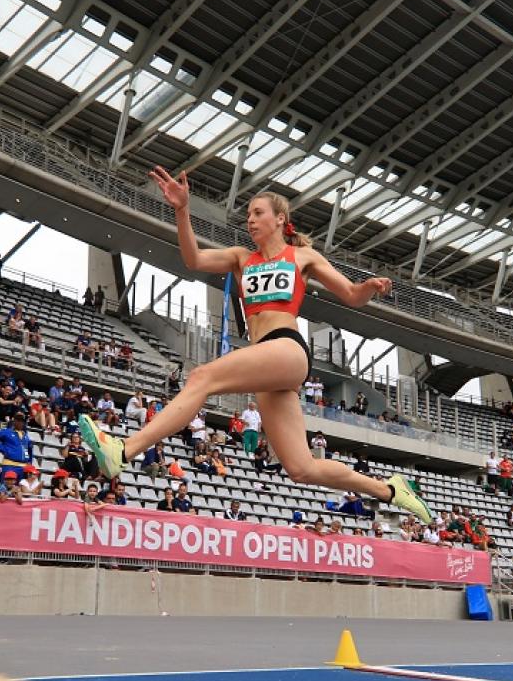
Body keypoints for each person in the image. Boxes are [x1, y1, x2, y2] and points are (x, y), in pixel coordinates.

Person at [77, 170, 431, 524]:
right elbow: (194, 260)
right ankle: (392, 490)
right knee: (300, 467)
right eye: (247, 215)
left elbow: (352, 295)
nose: (250, 220)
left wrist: (369, 285)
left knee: (201, 376)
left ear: (280, 218)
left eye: (257, 213)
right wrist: (182, 210)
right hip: (267, 362)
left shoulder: (302, 257)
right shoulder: (241, 258)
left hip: (288, 348)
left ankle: (123, 450)